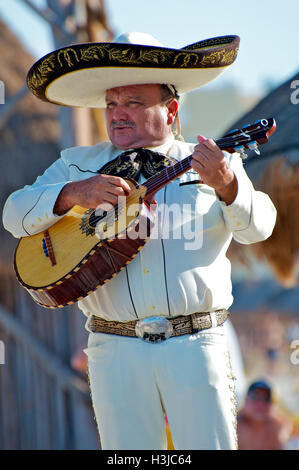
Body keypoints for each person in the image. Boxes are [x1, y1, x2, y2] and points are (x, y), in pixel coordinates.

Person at [2, 32, 277, 450]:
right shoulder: (76, 164)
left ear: (170, 110)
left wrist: (227, 185)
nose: (117, 114)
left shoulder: (215, 161)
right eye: (111, 103)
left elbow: (259, 228)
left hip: (197, 344)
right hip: (112, 349)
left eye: (132, 102)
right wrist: (73, 193)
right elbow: (13, 214)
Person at [237, 380, 294, 450]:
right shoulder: (235, 424)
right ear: (245, 400)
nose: (260, 403)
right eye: (254, 397)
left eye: (266, 399)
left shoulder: (275, 425)